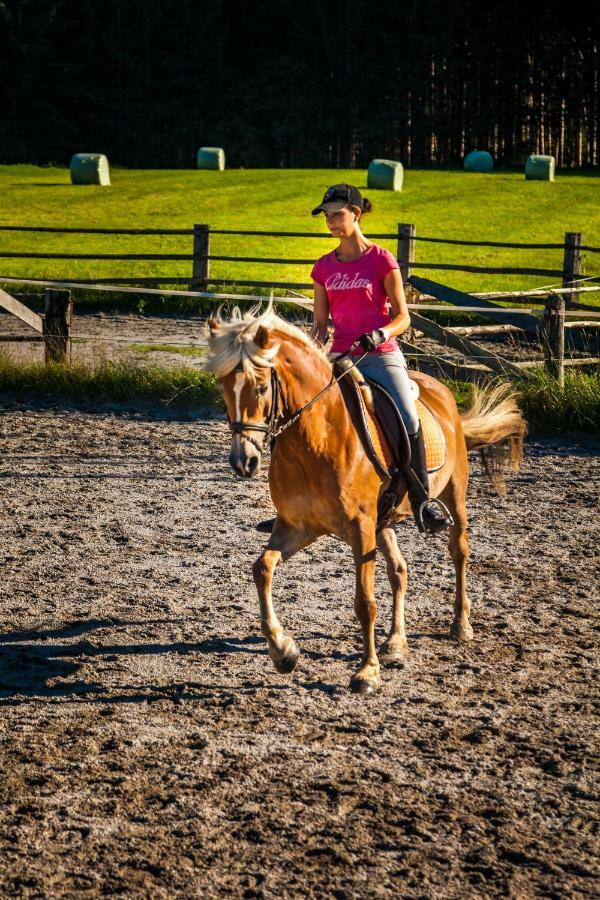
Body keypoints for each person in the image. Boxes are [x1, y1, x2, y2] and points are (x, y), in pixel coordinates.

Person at [309, 183, 451, 535]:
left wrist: (382, 333)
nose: (330, 221)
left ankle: (422, 500)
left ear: (355, 214)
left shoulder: (381, 260)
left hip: (380, 356)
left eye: (337, 214)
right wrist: (312, 354)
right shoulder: (323, 267)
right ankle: (297, 504)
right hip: (340, 359)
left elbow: (403, 317)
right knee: (302, 411)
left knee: (406, 414)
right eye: (327, 215)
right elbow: (319, 325)